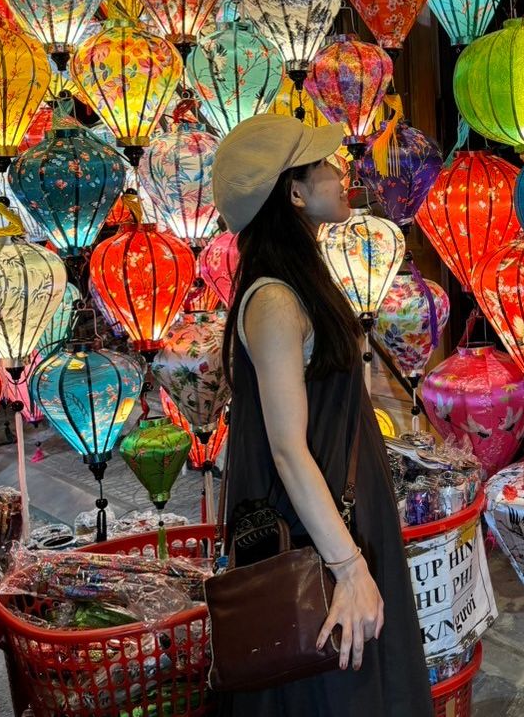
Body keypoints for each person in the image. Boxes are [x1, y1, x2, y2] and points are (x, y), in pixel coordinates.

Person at [212, 113, 433, 716]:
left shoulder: (302, 283)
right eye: (325, 165)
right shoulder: (274, 299)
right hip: (315, 539)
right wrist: (349, 565)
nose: (342, 172)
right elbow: (287, 449)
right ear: (294, 192)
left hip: (341, 518)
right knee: (337, 690)